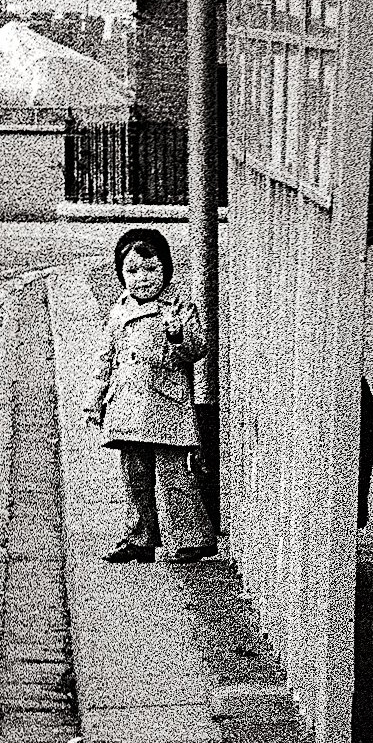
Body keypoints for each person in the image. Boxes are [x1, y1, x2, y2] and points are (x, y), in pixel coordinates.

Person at [83, 224, 213, 563]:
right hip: (127, 403)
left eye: (151, 269)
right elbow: (105, 358)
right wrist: (95, 400)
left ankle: (193, 538)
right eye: (132, 271)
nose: (142, 278)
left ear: (166, 270)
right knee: (134, 476)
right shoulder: (119, 311)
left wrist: (177, 335)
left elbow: (197, 349)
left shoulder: (180, 308)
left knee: (174, 475)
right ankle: (140, 536)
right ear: (121, 275)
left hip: (166, 403)